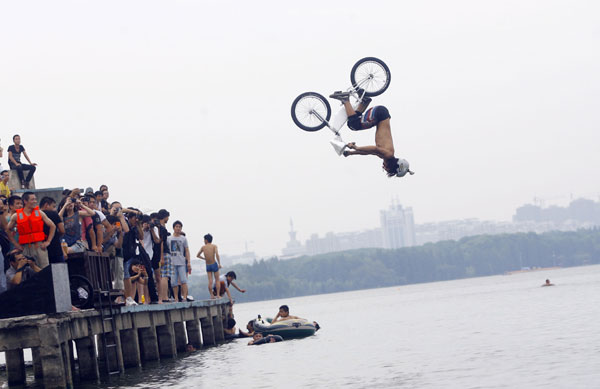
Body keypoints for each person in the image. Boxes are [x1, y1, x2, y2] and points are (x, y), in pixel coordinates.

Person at [329, 91, 413, 178]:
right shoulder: (388, 154)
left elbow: (368, 152)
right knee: (354, 124)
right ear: (394, 166)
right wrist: (356, 147)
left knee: (354, 122)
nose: (384, 168)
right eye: (388, 170)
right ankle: (345, 99)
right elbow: (374, 148)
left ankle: (364, 101)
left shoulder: (385, 155)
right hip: (379, 114)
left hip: (380, 115)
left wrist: (351, 153)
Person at [6, 192, 56, 269]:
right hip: (25, 247)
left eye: (35, 199)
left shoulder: (39, 213)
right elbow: (8, 230)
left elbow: (53, 226)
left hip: (39, 246)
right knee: (26, 270)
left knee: (44, 269)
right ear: (25, 201)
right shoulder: (16, 216)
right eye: (32, 199)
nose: (35, 201)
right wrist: (15, 244)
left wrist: (48, 241)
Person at [168, 221, 191, 302]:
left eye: (179, 227)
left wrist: (188, 262)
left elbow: (187, 250)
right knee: (173, 282)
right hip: (172, 263)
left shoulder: (183, 238)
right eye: (176, 226)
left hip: (181, 262)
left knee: (183, 280)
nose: (178, 228)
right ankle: (176, 298)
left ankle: (184, 297)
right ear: (173, 228)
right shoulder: (169, 239)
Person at [39, 197, 65, 263]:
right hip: (55, 249)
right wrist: (56, 236)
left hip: (41, 248)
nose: (55, 209)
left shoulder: (35, 216)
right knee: (60, 271)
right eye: (53, 206)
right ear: (46, 205)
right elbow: (62, 230)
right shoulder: (54, 214)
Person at [197, 233, 221, 299]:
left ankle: (212, 295)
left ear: (206, 240)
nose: (204, 241)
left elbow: (197, 255)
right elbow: (217, 254)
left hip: (208, 265)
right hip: (214, 264)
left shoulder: (203, 247)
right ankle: (218, 295)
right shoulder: (214, 246)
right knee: (217, 280)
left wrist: (204, 258)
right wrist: (219, 263)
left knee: (210, 281)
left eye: (204, 240)